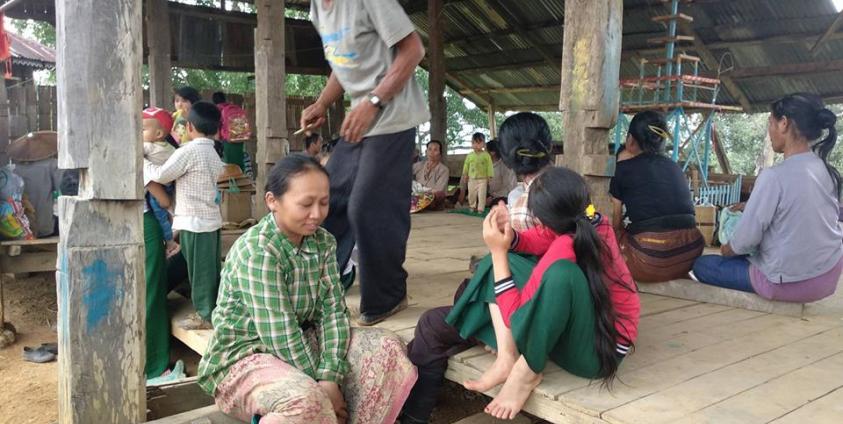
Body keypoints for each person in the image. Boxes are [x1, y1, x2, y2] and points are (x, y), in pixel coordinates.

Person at [401, 167, 639, 422]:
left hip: (597, 351)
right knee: (495, 267)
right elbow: (538, 239)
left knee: (536, 271)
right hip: (579, 322)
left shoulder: (563, 250)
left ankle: (525, 371)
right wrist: (510, 236)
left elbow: (516, 318)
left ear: (547, 220)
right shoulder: (586, 221)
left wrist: (498, 252)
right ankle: (506, 356)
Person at [197, 154, 417, 424]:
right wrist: (324, 385)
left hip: (302, 343)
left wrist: (329, 376)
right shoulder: (257, 251)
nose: (317, 214)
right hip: (245, 358)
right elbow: (281, 335)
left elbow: (333, 312)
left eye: (324, 203)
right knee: (309, 401)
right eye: (306, 204)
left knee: (388, 346)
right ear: (272, 202)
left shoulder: (322, 242)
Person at [302, 0, 429, 326]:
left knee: (368, 206)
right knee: (328, 196)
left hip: (393, 115)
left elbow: (413, 50)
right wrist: (322, 102)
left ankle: (388, 295)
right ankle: (323, 288)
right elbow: (344, 63)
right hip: (361, 118)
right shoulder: (319, 9)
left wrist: (373, 101)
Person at [693, 93, 843, 302]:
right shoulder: (828, 172)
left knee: (703, 265)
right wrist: (750, 205)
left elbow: (745, 242)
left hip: (788, 284)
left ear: (783, 123)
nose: (770, 130)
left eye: (770, 122)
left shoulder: (774, 176)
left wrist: (727, 249)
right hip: (827, 277)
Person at [145, 101, 226, 330]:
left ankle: (205, 315)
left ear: (190, 127)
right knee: (205, 266)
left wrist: (143, 165)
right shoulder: (212, 151)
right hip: (209, 220)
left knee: (200, 272)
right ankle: (209, 306)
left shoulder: (189, 151)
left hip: (194, 221)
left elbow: (162, 175)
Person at [609, 111, 704, 282]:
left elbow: (614, 223)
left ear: (630, 140)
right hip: (691, 253)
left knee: (603, 231)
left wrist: (589, 211)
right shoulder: (675, 167)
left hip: (651, 259)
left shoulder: (621, 169)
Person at [497, 112, 555, 231]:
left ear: (506, 160)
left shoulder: (519, 204)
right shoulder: (577, 184)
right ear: (550, 147)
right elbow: (590, 213)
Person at [212, 91, 251, 172]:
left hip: (228, 140)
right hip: (240, 138)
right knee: (239, 161)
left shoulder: (218, 109)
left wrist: (217, 141)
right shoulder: (233, 107)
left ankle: (233, 183)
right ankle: (241, 179)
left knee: (230, 165)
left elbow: (217, 126)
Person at [460, 133, 494, 214]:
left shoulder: (486, 155)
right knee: (471, 194)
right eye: (473, 143)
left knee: (482, 194)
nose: (476, 145)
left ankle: (480, 209)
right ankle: (472, 206)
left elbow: (490, 166)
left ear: (483, 144)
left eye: (478, 143)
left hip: (483, 179)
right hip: (472, 178)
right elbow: (466, 165)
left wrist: (489, 176)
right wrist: (465, 175)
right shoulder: (470, 156)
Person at [412, 140, 450, 210]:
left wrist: (424, 193)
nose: (431, 152)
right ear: (426, 152)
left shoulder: (444, 170)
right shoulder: (419, 165)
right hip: (417, 195)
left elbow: (438, 190)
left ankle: (423, 205)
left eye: (435, 150)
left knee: (440, 195)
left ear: (440, 154)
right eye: (429, 149)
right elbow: (404, 172)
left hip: (432, 197)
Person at [485, 139, 517, 206]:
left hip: (504, 196)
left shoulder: (505, 166)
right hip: (491, 195)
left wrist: (492, 198)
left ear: (492, 152)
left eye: (485, 150)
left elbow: (509, 188)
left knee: (499, 203)